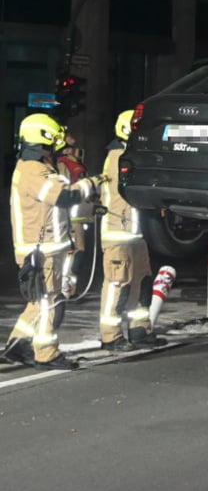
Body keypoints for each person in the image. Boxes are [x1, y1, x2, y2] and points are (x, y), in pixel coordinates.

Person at [3, 113, 106, 369]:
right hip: (42, 250)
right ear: (44, 141)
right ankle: (46, 352)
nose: (57, 150)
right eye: (54, 144)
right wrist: (90, 185)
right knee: (52, 301)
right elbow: (63, 196)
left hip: (44, 246)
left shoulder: (33, 168)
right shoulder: (33, 171)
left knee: (39, 300)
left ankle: (19, 344)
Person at [98, 110, 165, 351]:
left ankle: (139, 329)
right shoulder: (119, 156)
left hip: (134, 232)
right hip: (119, 232)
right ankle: (110, 335)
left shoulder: (130, 155)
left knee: (141, 281)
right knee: (118, 285)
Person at [55, 133, 95, 294]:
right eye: (72, 147)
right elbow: (64, 190)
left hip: (82, 214)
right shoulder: (63, 165)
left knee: (79, 251)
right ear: (65, 151)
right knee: (75, 252)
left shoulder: (77, 164)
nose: (77, 150)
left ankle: (69, 287)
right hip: (72, 216)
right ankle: (66, 287)